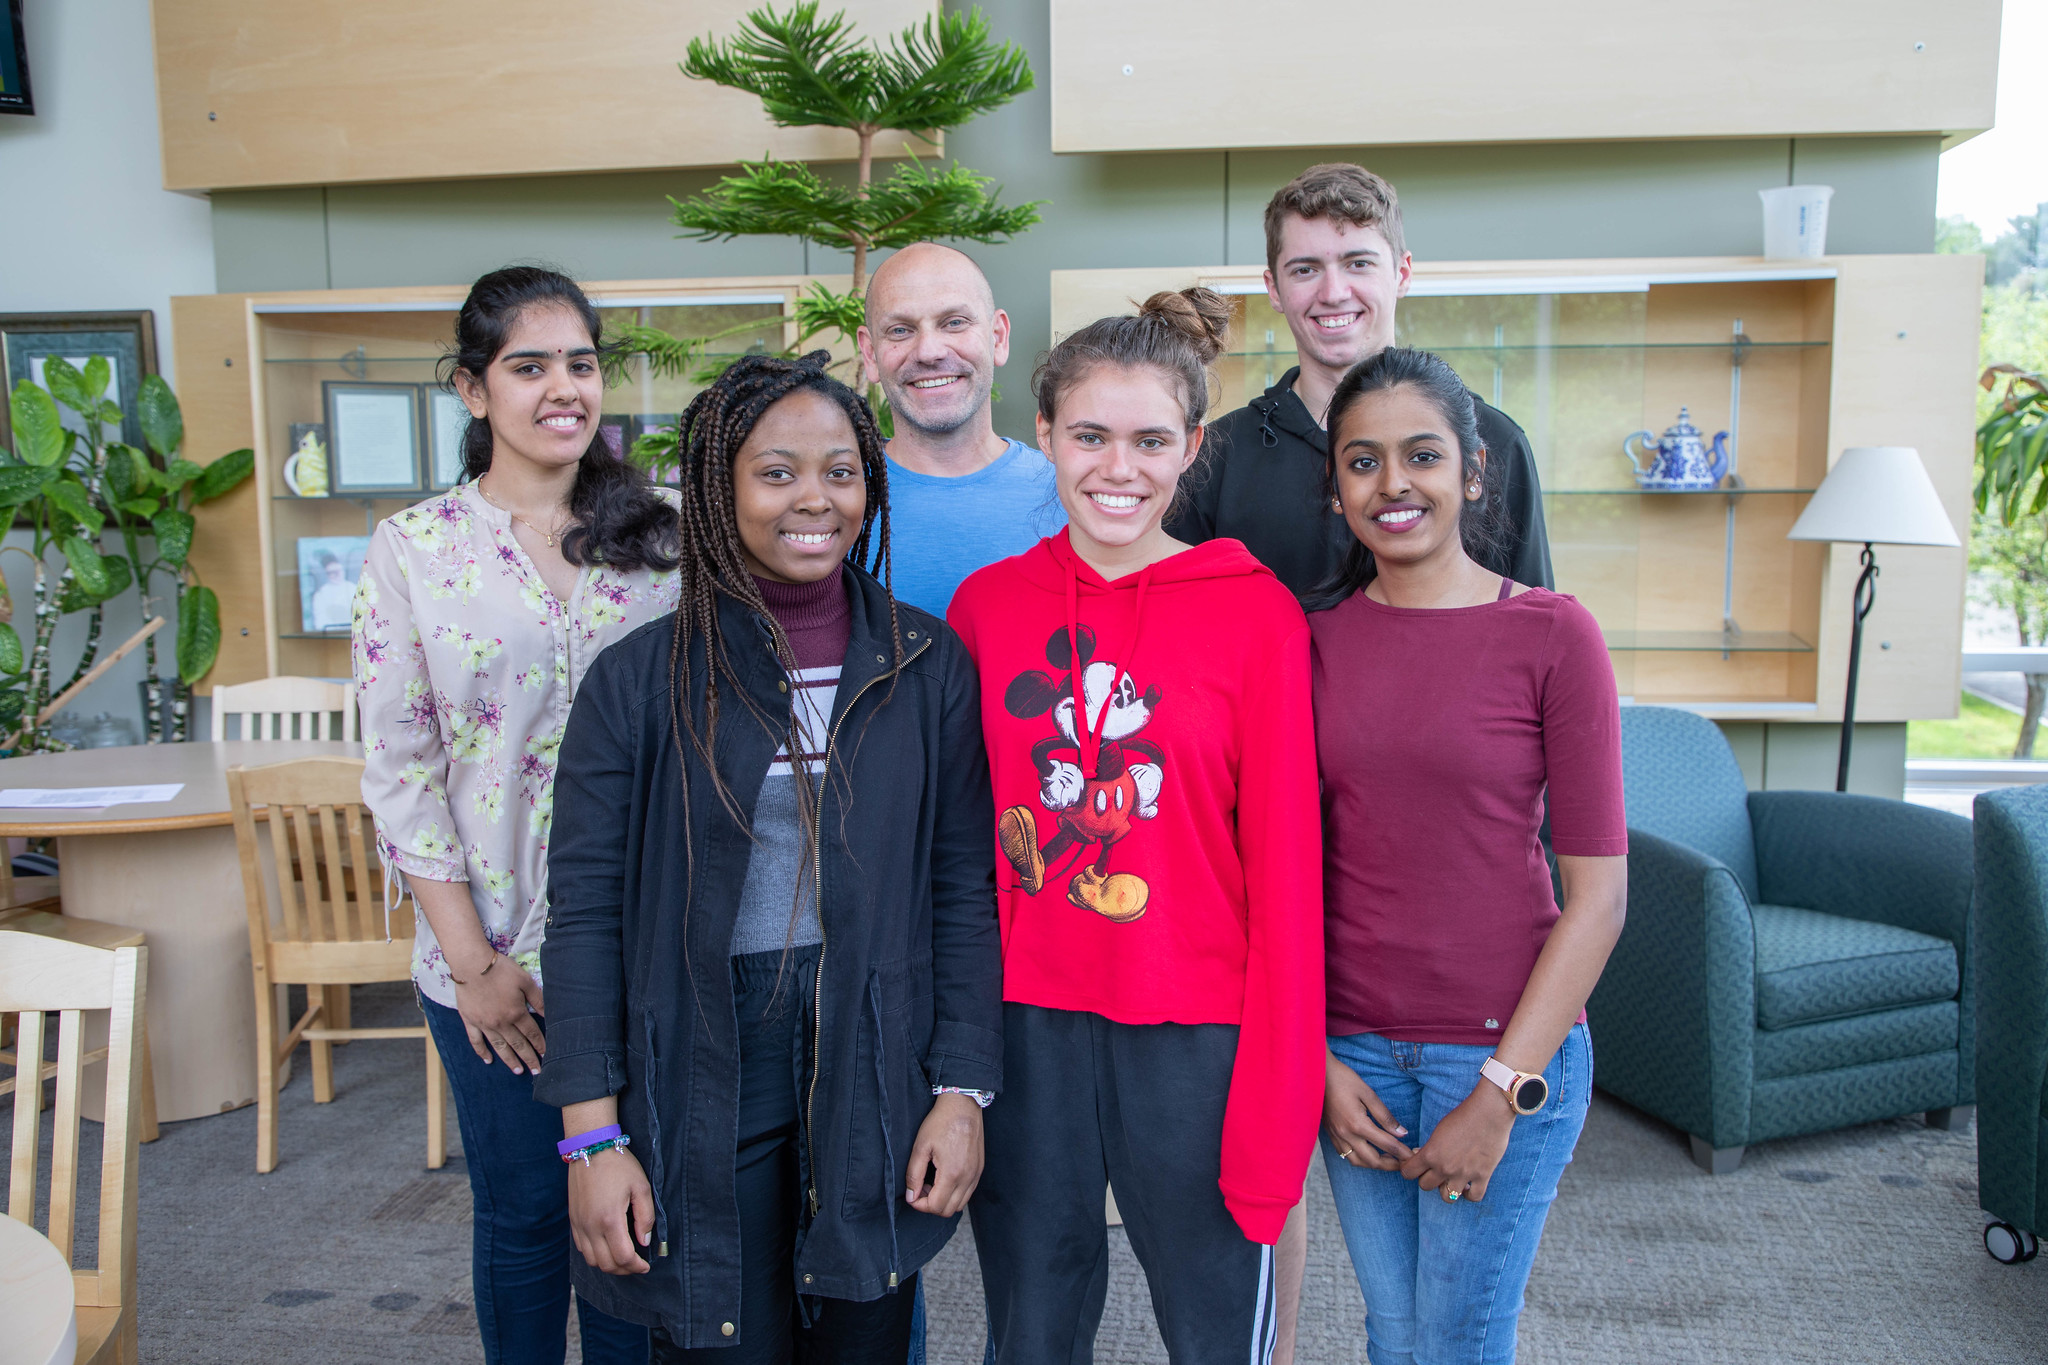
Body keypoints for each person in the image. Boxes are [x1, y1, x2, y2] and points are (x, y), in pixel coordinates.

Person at [536, 351, 1005, 1363]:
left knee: (863, 1332)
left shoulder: (926, 666)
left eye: (840, 471)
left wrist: (961, 1093)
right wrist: (591, 1137)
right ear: (717, 488)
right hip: (706, 1053)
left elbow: (963, 892)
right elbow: (579, 915)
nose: (815, 500)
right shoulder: (636, 682)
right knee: (717, 1333)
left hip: (874, 1051)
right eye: (776, 471)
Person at [949, 289, 1324, 1365]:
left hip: (1200, 1034)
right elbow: (963, 857)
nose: (1119, 467)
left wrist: (1278, 1081)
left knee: (1216, 1333)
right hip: (1025, 1030)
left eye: (1150, 439)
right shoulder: (988, 609)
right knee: (1028, 1328)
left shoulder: (1253, 613)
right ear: (1045, 438)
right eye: (1090, 436)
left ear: (1191, 447)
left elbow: (1288, 869)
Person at [353, 265, 683, 1365]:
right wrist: (474, 962)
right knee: (527, 1212)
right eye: (528, 365)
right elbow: (400, 769)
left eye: (580, 363)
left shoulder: (670, 540)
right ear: (470, 389)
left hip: (646, 941)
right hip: (491, 952)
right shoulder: (416, 550)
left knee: (639, 1209)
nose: (562, 388)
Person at [1311, 347, 1627, 1363]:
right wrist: (1311, 1059)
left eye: (1421, 455)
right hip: (1349, 1057)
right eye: (1361, 461)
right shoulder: (1304, 643)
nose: (1391, 484)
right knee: (1393, 1335)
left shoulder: (1549, 634)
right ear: (1334, 488)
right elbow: (1274, 872)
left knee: (1455, 1342)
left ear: (1472, 470)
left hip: (1500, 1050)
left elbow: (1599, 899)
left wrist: (1498, 1093)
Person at [1168, 162, 1553, 599]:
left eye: (1358, 263)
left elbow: (1532, 629)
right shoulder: (1216, 458)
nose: (1333, 292)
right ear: (1273, 288)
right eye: (1305, 270)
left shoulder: (1493, 441)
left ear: (1402, 274)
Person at [857, 241, 1065, 617]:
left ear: (998, 337)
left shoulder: (1071, 494)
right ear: (870, 354)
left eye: (954, 322)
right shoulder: (837, 503)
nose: (929, 351)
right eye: (901, 330)